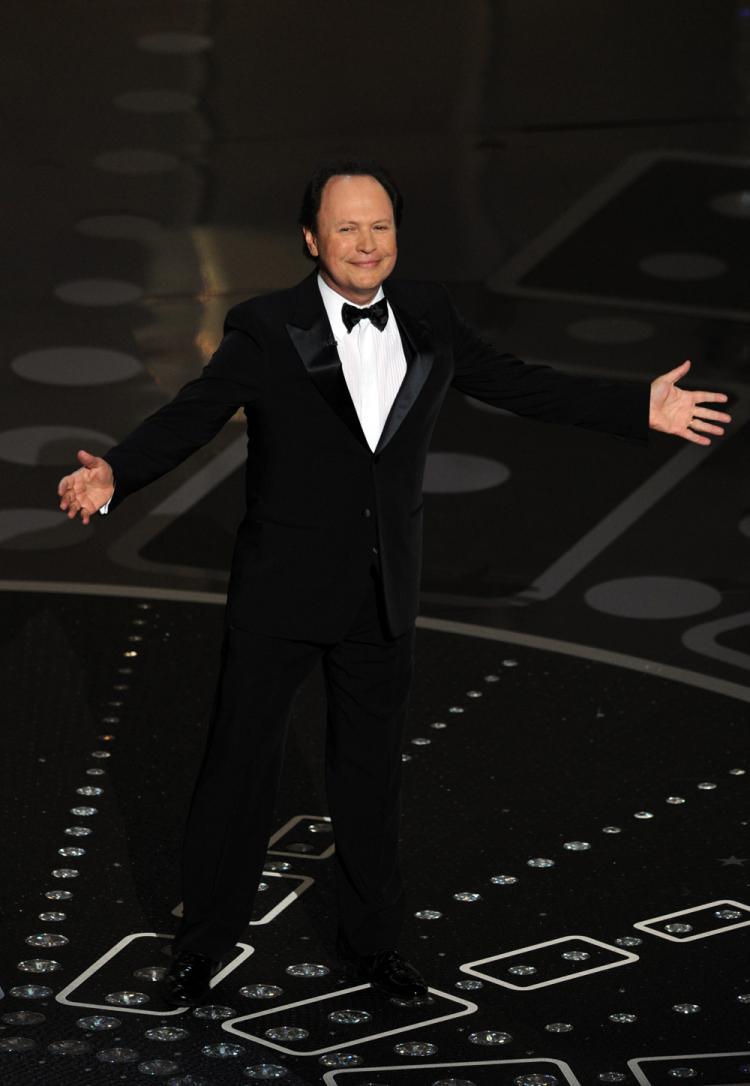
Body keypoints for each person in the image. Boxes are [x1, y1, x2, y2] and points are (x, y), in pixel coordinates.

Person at [57, 159, 731, 1006]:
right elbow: (192, 413)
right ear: (312, 240)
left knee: (370, 782)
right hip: (282, 594)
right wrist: (115, 473)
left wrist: (637, 407)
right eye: (347, 227)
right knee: (238, 774)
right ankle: (202, 948)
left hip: (382, 595)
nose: (366, 243)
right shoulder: (268, 327)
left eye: (379, 227)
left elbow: (519, 384)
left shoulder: (430, 314)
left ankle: (374, 947)